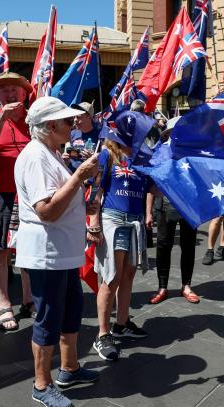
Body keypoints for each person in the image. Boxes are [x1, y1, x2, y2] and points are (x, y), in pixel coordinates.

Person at [15, 96, 100, 407]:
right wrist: (79, 177)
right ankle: (41, 384)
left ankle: (70, 368)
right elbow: (46, 211)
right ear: (50, 126)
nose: (73, 124)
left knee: (71, 309)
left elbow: (58, 201)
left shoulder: (49, 153)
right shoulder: (36, 156)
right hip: (48, 253)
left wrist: (82, 202)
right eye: (67, 121)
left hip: (63, 251)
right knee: (49, 317)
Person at [89, 111, 155, 362]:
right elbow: (97, 189)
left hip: (135, 220)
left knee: (128, 273)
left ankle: (122, 322)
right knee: (111, 276)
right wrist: (94, 222)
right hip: (113, 219)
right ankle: (102, 333)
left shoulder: (140, 158)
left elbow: (152, 188)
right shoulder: (106, 155)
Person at [0, 72, 35, 331]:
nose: (10, 94)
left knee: (28, 250)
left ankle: (29, 301)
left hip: (29, 195)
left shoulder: (33, 120)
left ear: (24, 93)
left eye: (15, 89)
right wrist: (1, 118)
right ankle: (4, 304)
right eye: (4, 90)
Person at [145, 117, 200, 305]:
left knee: (188, 246)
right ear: (168, 134)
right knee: (163, 247)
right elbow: (151, 185)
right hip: (164, 206)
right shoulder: (159, 153)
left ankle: (186, 285)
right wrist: (148, 212)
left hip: (188, 207)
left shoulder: (192, 154)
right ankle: (162, 287)